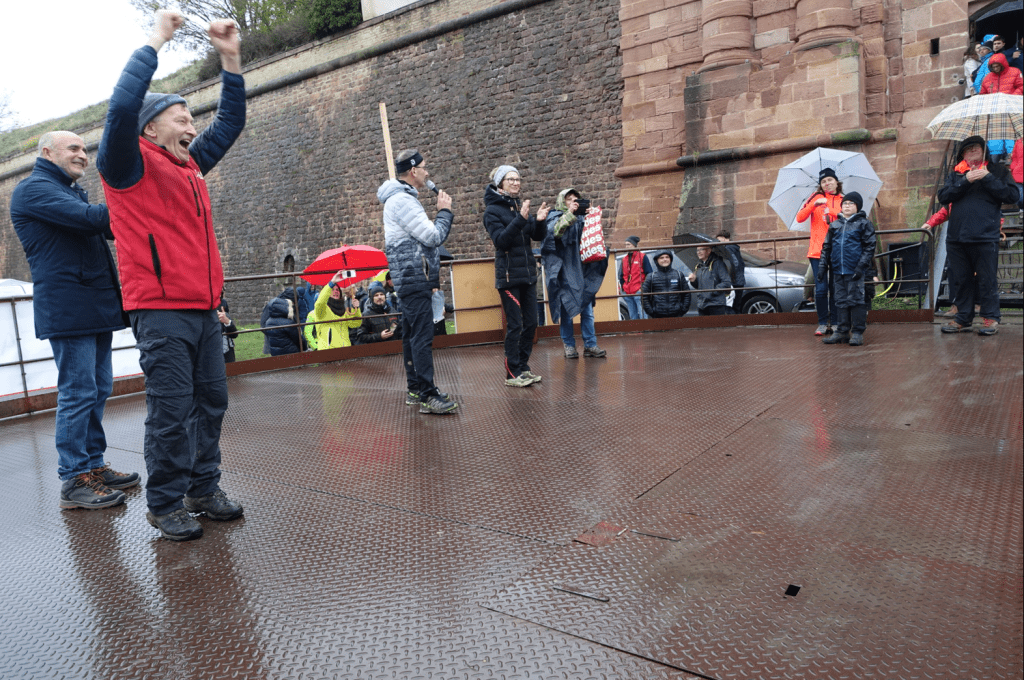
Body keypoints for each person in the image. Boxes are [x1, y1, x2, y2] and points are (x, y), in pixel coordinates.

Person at [96, 10, 246, 541]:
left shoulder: (189, 167)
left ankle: (202, 488)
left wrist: (230, 58)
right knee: (172, 410)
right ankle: (164, 503)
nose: (192, 127)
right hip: (159, 311)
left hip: (202, 308)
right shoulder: (126, 164)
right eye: (181, 118)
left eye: (191, 118)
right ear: (150, 128)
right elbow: (120, 108)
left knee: (212, 404)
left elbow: (229, 124)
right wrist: (157, 39)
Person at [10, 131, 140, 511]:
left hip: (92, 303)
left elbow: (108, 226)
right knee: (79, 390)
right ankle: (73, 478)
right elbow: (91, 219)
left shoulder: (67, 191)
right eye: (74, 148)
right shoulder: (33, 190)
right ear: (47, 152)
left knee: (98, 388)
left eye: (85, 148)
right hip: (70, 306)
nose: (83, 154)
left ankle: (93, 465)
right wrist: (136, 196)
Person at [377, 149, 458, 414]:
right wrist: (444, 212)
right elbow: (433, 237)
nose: (427, 172)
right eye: (424, 167)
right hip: (414, 278)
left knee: (412, 335)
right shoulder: (403, 201)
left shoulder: (401, 199)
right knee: (422, 337)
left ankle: (416, 389)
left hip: (409, 277)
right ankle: (427, 395)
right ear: (413, 171)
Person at [937, 136, 1019, 336]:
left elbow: (1012, 196)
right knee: (961, 280)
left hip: (985, 235)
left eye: (976, 148)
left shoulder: (997, 171)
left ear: (984, 151)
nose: (972, 151)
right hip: (957, 236)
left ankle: (990, 318)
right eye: (968, 149)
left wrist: (987, 177)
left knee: (987, 280)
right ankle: (963, 318)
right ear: (962, 154)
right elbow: (944, 196)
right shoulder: (957, 174)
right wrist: (965, 181)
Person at [482, 165, 549, 387]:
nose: (516, 182)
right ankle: (512, 373)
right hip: (509, 276)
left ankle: (523, 366)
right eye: (510, 179)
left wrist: (540, 221)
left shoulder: (519, 205)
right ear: (500, 183)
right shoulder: (492, 212)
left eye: (518, 179)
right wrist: (520, 218)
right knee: (515, 325)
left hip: (528, 274)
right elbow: (501, 241)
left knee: (531, 323)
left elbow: (535, 236)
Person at [542, 188, 609, 359]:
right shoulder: (555, 216)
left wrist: (592, 217)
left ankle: (590, 345)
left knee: (587, 310)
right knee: (567, 308)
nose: (573, 201)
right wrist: (570, 214)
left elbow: (594, 238)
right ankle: (569, 346)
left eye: (576, 198)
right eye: (568, 198)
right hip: (565, 270)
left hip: (583, 270)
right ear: (562, 201)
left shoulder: (582, 218)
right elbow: (555, 232)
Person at [819, 192, 876, 346]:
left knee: (856, 300)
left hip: (855, 270)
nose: (847, 206)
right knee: (840, 300)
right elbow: (827, 247)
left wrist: (860, 266)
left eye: (851, 203)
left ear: (858, 207)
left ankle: (857, 332)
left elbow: (869, 247)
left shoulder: (864, 224)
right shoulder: (834, 225)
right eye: (845, 203)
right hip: (838, 270)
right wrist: (823, 266)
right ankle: (842, 331)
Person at [795, 167, 843, 335]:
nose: (827, 183)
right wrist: (813, 205)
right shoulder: (815, 198)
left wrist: (833, 211)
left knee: (835, 288)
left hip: (837, 250)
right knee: (821, 289)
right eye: (823, 181)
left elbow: (850, 218)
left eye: (830, 180)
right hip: (817, 252)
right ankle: (822, 323)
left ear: (836, 182)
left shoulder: (844, 200)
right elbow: (800, 217)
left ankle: (835, 322)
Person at [978, 52, 1022, 162]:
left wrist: (1011, 98)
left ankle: (1011, 155)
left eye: (997, 66)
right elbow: (983, 94)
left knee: (1010, 133)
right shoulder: (987, 78)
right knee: (995, 134)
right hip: (994, 110)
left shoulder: (1015, 72)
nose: (996, 68)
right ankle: (995, 157)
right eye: (993, 66)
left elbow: (1021, 86)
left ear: (1003, 64)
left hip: (1011, 108)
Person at [311, 275, 362, 349]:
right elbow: (320, 302)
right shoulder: (323, 309)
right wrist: (331, 283)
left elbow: (356, 324)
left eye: (337, 290)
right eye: (332, 289)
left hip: (345, 349)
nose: (336, 291)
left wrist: (356, 308)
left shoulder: (343, 309)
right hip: (329, 351)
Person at [641, 251, 691, 318]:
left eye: (667, 257)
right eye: (661, 258)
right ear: (656, 260)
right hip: (658, 316)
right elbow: (644, 296)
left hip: (676, 315)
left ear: (670, 259)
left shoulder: (679, 274)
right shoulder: (651, 277)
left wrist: (683, 309)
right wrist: (651, 312)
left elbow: (687, 294)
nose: (665, 259)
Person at [688, 244, 733, 315]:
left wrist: (712, 292)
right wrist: (693, 281)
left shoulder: (718, 263)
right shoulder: (699, 266)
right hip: (702, 304)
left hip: (716, 304)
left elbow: (726, 282)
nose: (698, 252)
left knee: (716, 322)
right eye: (697, 250)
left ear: (709, 250)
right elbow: (698, 286)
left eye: (701, 249)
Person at [619, 235, 652, 320]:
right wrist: (623, 288)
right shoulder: (624, 259)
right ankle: (635, 329)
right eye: (625, 245)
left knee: (643, 315)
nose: (626, 247)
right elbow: (620, 275)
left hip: (638, 290)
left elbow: (649, 273)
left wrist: (642, 288)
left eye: (628, 244)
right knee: (632, 316)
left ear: (634, 245)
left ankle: (644, 328)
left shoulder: (642, 257)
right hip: (627, 292)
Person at [716, 230, 746, 313]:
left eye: (719, 240)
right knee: (736, 305)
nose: (718, 242)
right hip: (739, 280)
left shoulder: (728, 248)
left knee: (732, 306)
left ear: (724, 238)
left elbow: (734, 264)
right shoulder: (733, 247)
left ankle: (735, 320)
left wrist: (727, 276)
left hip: (734, 281)